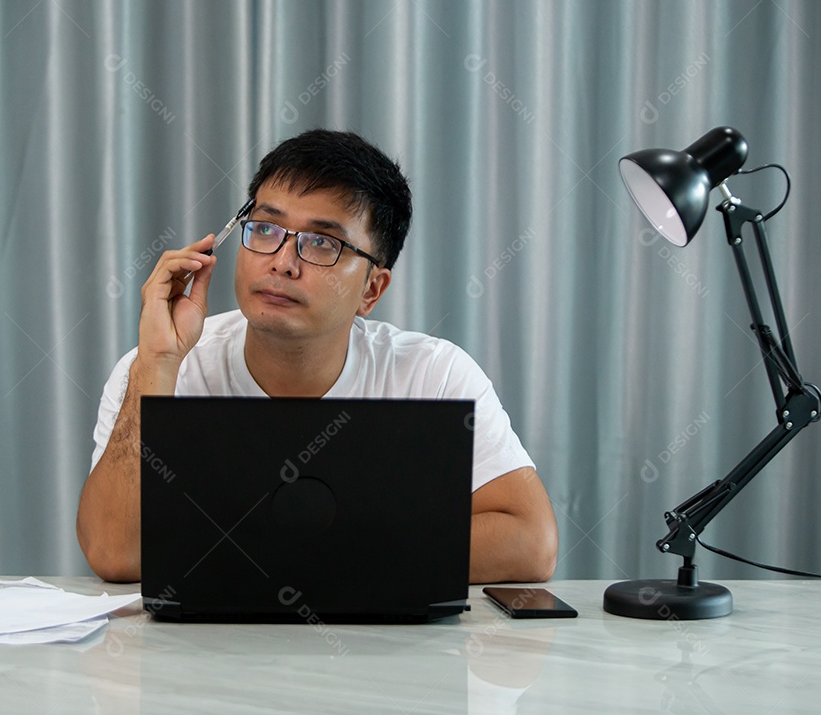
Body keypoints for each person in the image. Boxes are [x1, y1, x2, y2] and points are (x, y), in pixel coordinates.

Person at [77, 129, 558, 584]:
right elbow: (114, 551)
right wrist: (159, 361)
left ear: (372, 288)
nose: (282, 262)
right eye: (265, 229)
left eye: (322, 243)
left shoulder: (435, 375)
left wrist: (293, 551)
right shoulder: (158, 367)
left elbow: (531, 543)